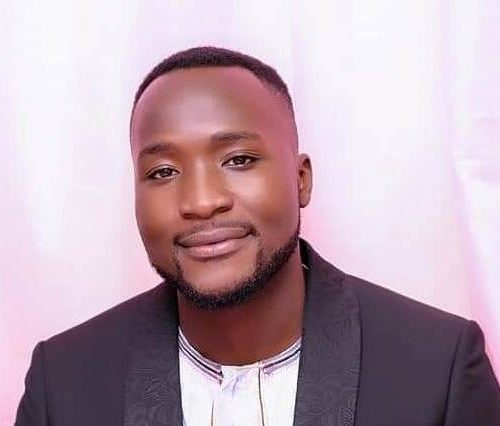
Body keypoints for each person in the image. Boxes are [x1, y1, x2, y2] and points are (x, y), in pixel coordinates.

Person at [16, 46, 500, 426]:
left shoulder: (438, 369)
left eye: (239, 160)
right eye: (163, 171)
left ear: (301, 179)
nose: (202, 200)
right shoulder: (64, 382)